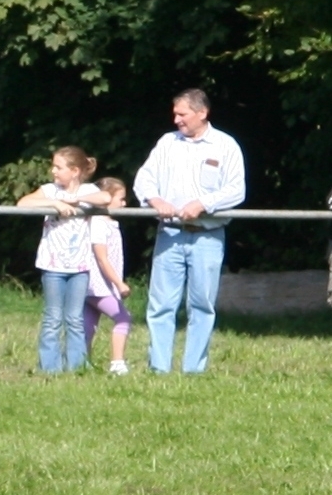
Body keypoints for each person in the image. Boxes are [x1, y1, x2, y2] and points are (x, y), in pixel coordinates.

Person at [134, 89, 245, 374]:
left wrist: (203, 204)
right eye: (175, 113)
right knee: (160, 306)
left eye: (182, 114)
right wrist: (155, 200)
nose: (176, 120)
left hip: (208, 236)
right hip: (169, 234)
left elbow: (236, 190)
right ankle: (158, 369)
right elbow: (144, 178)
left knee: (202, 305)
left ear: (202, 113)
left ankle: (194, 370)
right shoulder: (167, 143)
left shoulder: (225, 146)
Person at [17, 147, 107, 372]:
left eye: (59, 167)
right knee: (53, 318)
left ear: (75, 171)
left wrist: (77, 200)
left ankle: (77, 367)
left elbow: (105, 197)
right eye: (54, 166)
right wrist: (55, 203)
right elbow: (23, 203)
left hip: (80, 267)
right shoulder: (50, 190)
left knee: (75, 319)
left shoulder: (88, 189)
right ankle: (50, 368)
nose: (53, 171)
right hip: (53, 266)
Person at [84, 176, 132, 374]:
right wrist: (119, 283)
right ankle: (117, 363)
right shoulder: (98, 223)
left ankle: (80, 360)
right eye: (120, 198)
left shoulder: (109, 223)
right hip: (98, 285)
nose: (124, 203)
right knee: (124, 318)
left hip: (97, 286)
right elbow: (102, 258)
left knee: (89, 322)